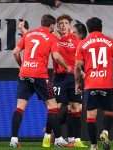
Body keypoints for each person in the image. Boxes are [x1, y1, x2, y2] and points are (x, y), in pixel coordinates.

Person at [10, 14, 71, 148]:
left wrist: (22, 65)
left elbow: (15, 52)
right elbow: (56, 56)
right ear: (51, 26)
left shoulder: (29, 34)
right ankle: (59, 140)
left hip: (24, 74)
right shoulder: (51, 37)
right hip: (40, 76)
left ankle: (14, 139)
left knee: (20, 107)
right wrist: (67, 67)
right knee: (53, 107)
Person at [75, 17, 113, 150]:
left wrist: (78, 83)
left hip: (90, 84)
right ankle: (105, 132)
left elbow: (78, 67)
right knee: (109, 112)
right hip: (107, 84)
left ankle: (93, 145)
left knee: (91, 117)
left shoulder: (83, 43)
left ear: (88, 28)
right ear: (101, 27)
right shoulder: (110, 41)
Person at [42, 14, 87, 148]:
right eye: (60, 23)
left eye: (65, 23)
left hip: (74, 78)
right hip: (59, 78)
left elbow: (82, 58)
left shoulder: (76, 40)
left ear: (69, 25)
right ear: (57, 26)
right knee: (57, 108)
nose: (62, 25)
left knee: (76, 108)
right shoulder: (53, 39)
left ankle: (76, 140)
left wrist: (83, 73)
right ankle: (48, 135)